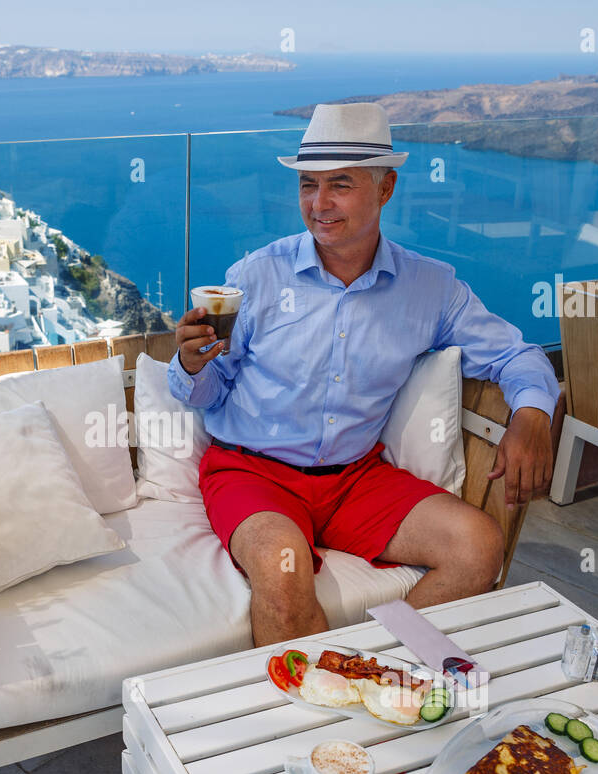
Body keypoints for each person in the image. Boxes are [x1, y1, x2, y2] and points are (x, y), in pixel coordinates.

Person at [169, 103, 559, 648]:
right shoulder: (256, 276)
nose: (319, 205)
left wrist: (534, 414)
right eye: (308, 185)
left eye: (340, 185)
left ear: (385, 188)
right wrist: (191, 364)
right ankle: (321, 715)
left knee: (477, 546)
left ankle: (380, 674)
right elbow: (211, 394)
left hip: (355, 479)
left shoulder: (431, 288)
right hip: (252, 473)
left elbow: (516, 355)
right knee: (283, 572)